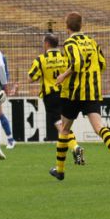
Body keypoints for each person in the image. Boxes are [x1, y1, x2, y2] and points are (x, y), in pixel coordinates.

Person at [50, 12, 110, 180]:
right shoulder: (92, 42)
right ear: (81, 25)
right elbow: (102, 64)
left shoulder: (69, 43)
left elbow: (77, 63)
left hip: (73, 93)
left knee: (64, 129)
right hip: (92, 91)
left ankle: (60, 170)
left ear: (67, 26)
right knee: (99, 127)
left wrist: (63, 76)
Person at [28, 34, 84, 164]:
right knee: (65, 125)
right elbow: (73, 70)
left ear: (47, 44)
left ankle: (75, 147)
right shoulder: (65, 57)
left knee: (61, 127)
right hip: (65, 94)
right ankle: (75, 148)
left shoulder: (41, 59)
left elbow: (31, 78)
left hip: (51, 97)